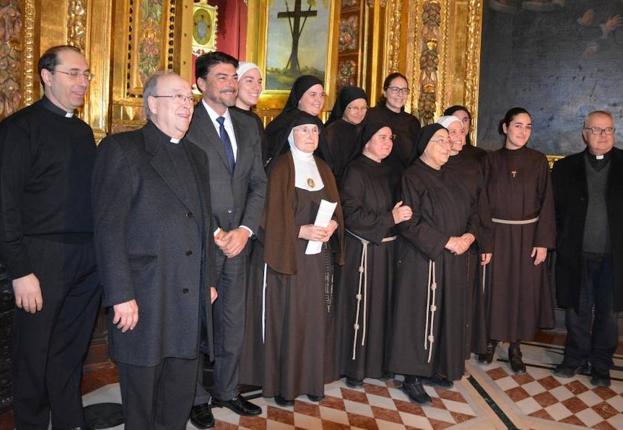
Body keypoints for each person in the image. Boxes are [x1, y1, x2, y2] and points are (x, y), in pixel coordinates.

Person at [92, 71, 217, 428]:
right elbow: (108, 229)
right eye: (176, 97)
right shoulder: (122, 150)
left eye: (188, 98)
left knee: (178, 393)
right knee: (143, 398)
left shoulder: (197, 156)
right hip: (144, 295)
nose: (185, 105)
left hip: (188, 295)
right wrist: (120, 294)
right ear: (152, 105)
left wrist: (208, 280)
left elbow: (203, 225)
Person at [0, 45, 101, 430]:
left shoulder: (81, 129)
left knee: (71, 349)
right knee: (33, 353)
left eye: (86, 74)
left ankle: (69, 421)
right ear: (47, 76)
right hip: (41, 258)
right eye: (73, 73)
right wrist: (21, 270)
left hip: (85, 257)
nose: (82, 82)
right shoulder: (18, 128)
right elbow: (4, 204)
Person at [185, 51, 266, 428]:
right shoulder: (187, 121)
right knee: (197, 324)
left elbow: (257, 185)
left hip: (238, 243)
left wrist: (245, 231)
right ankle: (196, 398)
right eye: (222, 77)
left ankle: (227, 391)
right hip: (201, 243)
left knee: (233, 321)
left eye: (233, 76)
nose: (231, 83)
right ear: (201, 84)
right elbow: (182, 186)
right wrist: (215, 232)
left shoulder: (249, 126)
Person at [241, 111, 344, 405]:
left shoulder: (323, 168)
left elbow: (337, 209)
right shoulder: (280, 168)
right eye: (304, 131)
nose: (311, 136)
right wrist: (300, 230)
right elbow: (266, 217)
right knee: (289, 319)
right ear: (290, 135)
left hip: (316, 258)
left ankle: (312, 380)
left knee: (313, 318)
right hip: (285, 255)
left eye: (315, 131)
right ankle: (285, 386)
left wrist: (334, 225)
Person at [388, 124, 478, 404]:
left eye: (448, 139)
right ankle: (412, 376)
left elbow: (472, 209)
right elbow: (409, 222)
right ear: (425, 146)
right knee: (418, 315)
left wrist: (469, 236)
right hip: (422, 257)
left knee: (446, 313)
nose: (447, 144)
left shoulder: (452, 174)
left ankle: (438, 366)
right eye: (440, 140)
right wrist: (446, 241)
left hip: (453, 255)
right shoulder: (412, 176)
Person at [552, 110, 623, 387]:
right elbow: (555, 212)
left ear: (614, 133)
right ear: (585, 133)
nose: (603, 135)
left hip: (613, 257)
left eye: (608, 130)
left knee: (607, 313)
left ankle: (602, 365)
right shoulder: (565, 168)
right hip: (577, 254)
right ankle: (575, 358)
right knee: (577, 310)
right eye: (596, 129)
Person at [483, 107, 555, 373]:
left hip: (527, 235)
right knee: (496, 287)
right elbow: (482, 203)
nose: (523, 132)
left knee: (521, 291)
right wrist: (485, 242)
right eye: (517, 126)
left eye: (528, 126)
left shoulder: (538, 161)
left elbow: (547, 202)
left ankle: (515, 346)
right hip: (497, 234)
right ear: (505, 128)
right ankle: (490, 340)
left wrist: (543, 242)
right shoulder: (490, 160)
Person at [338, 122, 411, 388]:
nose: (388, 141)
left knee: (384, 308)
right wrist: (389, 217)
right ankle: (356, 366)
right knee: (364, 308)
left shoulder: (392, 170)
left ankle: (379, 363)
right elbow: (350, 213)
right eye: (382, 137)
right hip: (365, 251)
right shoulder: (355, 171)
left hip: (389, 250)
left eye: (390, 137)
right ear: (367, 140)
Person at [436, 115, 493, 360]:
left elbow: (481, 207)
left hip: (467, 245)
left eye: (462, 132)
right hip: (438, 247)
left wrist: (480, 241)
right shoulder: (433, 164)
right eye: (452, 132)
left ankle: (457, 353)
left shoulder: (473, 166)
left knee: (462, 303)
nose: (458, 137)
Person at [365, 72, 420, 174]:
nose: (400, 94)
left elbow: (415, 156)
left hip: (402, 177)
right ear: (385, 92)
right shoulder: (370, 115)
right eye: (395, 89)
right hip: (374, 175)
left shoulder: (412, 122)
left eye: (404, 90)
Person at [264, 75, 325, 167]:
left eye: (322, 95)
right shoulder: (285, 122)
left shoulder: (318, 122)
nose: (319, 100)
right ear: (299, 98)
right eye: (313, 94)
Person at [317, 86, 368, 185]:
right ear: (344, 107)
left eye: (363, 108)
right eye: (354, 108)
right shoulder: (331, 132)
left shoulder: (366, 129)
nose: (360, 112)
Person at [233, 62, 268, 162]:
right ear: (236, 83)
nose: (257, 87)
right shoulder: (226, 117)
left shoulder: (255, 119)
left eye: (259, 82)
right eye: (249, 81)